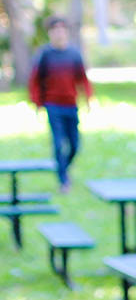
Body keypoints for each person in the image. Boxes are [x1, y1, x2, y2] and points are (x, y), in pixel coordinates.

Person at [27, 17, 93, 192]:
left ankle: (63, 168)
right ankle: (63, 180)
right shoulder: (44, 54)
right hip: (52, 105)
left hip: (71, 105)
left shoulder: (74, 54)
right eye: (55, 30)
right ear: (50, 33)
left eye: (62, 30)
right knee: (58, 143)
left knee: (74, 144)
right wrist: (37, 102)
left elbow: (82, 79)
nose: (59, 33)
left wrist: (87, 98)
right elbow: (35, 80)